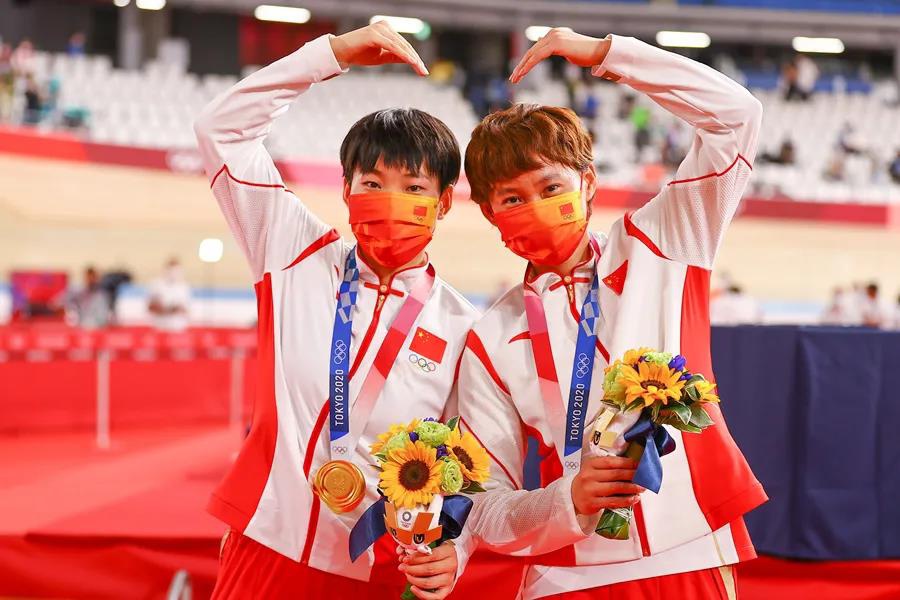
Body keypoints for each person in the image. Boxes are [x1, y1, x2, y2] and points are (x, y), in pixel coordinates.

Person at [195, 22, 571, 600]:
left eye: (414, 188)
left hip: (381, 566)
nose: (391, 202)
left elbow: (468, 471)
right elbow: (220, 130)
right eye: (372, 183)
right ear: (345, 189)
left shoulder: (463, 327)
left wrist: (454, 551)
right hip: (267, 545)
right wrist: (331, 53)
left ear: (444, 203)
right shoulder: (292, 254)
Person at [451, 29, 765, 599]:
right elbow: (482, 504)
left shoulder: (663, 242)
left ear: (588, 182)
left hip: (687, 552)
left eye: (551, 187)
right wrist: (565, 499)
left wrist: (607, 54)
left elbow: (736, 117)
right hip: (563, 573)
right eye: (513, 199)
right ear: (491, 215)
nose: (535, 208)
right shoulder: (490, 336)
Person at [147, 258, 191, 331]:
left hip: (178, 328)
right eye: (171, 270)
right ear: (166, 269)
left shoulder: (184, 287)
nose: (174, 273)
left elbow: (187, 310)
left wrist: (178, 309)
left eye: (176, 270)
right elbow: (150, 307)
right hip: (159, 326)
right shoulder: (156, 285)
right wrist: (164, 310)